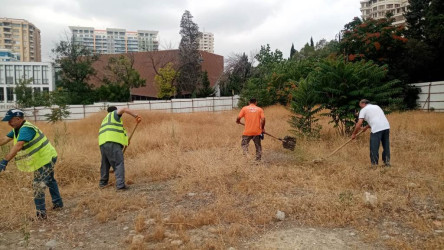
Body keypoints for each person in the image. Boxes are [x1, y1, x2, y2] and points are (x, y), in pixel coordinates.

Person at [0, 109, 63, 220]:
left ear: (18, 119)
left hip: (46, 158)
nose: (8, 123)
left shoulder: (26, 129)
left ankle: (41, 214)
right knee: (50, 180)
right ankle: (58, 204)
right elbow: (4, 139)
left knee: (38, 184)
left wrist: (5, 161)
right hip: (46, 156)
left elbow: (18, 145)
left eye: (10, 120)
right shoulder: (17, 129)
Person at [98, 106, 141, 190]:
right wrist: (136, 116)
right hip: (112, 142)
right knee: (118, 163)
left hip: (103, 143)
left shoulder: (106, 119)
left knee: (105, 164)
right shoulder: (114, 115)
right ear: (115, 111)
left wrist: (125, 141)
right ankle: (120, 185)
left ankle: (103, 184)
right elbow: (124, 109)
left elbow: (117, 132)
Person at [351, 99, 391, 167]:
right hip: (386, 127)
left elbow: (359, 123)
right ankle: (387, 163)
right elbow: (377, 119)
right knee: (386, 146)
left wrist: (354, 134)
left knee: (374, 147)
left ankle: (374, 165)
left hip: (376, 129)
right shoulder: (376, 106)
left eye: (360, 106)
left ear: (363, 103)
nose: (360, 107)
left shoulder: (363, 109)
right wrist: (366, 128)